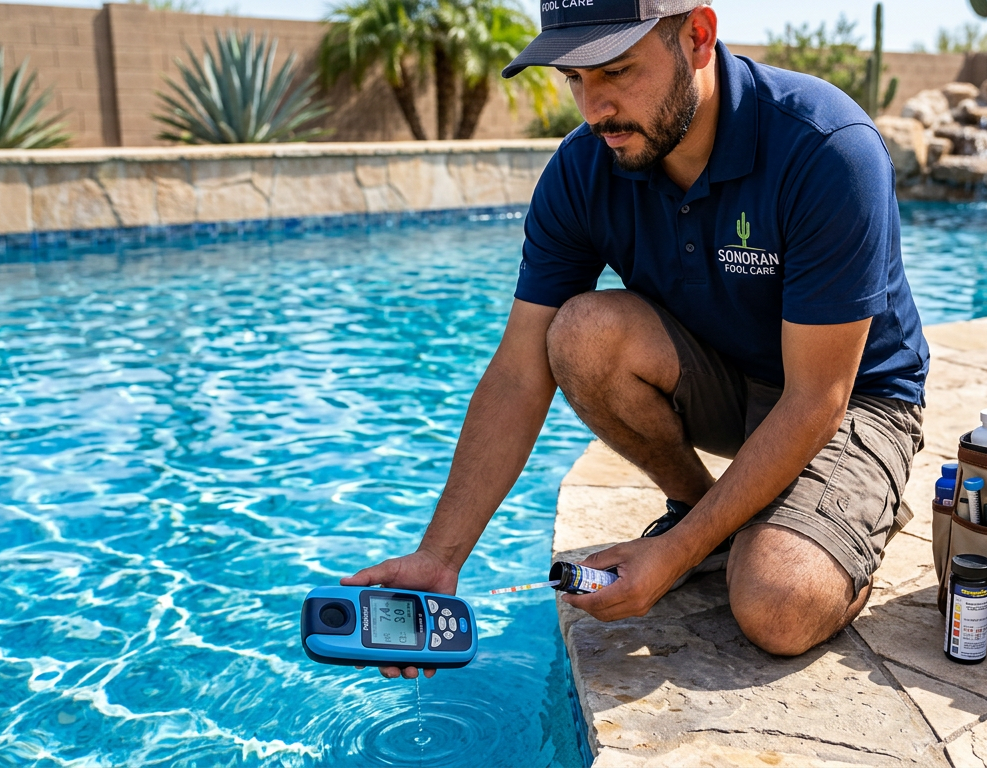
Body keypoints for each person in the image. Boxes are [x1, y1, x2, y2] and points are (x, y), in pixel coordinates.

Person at [346, 0, 929, 679]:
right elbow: (518, 372)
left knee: (777, 603)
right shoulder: (585, 167)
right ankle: (703, 511)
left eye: (617, 70)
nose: (594, 108)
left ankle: (848, 519)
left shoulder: (825, 147)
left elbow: (815, 398)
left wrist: (674, 555)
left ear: (698, 37)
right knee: (580, 333)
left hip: (852, 400)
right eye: (575, 78)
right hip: (726, 381)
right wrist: (440, 557)